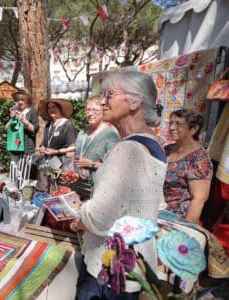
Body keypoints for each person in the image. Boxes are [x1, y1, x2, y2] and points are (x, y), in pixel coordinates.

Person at [69, 71, 167, 299]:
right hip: (132, 264)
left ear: (135, 101)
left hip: (107, 268)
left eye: (109, 94)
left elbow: (99, 216)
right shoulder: (154, 145)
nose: (103, 101)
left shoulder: (128, 149)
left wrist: (81, 212)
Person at [163, 109, 213, 223]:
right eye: (171, 123)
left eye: (178, 124)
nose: (171, 128)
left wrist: (184, 229)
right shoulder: (167, 150)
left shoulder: (200, 158)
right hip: (157, 212)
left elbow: (198, 199)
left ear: (193, 129)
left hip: (177, 219)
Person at [74, 95, 119, 199]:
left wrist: (90, 164)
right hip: (79, 184)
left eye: (94, 110)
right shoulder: (82, 132)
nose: (90, 114)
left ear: (103, 111)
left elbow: (114, 167)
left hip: (98, 189)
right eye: (88, 110)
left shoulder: (111, 134)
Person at [36, 98, 76, 193]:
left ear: (60, 108)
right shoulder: (49, 124)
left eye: (54, 107)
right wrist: (42, 147)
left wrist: (56, 151)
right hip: (47, 160)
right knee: (45, 186)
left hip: (61, 162)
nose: (51, 109)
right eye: (49, 107)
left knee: (58, 188)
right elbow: (46, 142)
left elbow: (73, 146)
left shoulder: (67, 124)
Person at [5, 88, 39, 189]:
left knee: (23, 177)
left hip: (26, 149)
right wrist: (12, 118)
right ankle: (12, 197)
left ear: (27, 99)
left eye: (22, 99)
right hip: (15, 148)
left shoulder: (32, 111)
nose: (20, 102)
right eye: (18, 99)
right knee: (13, 175)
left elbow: (34, 129)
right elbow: (6, 129)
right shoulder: (15, 112)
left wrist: (25, 121)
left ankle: (22, 199)